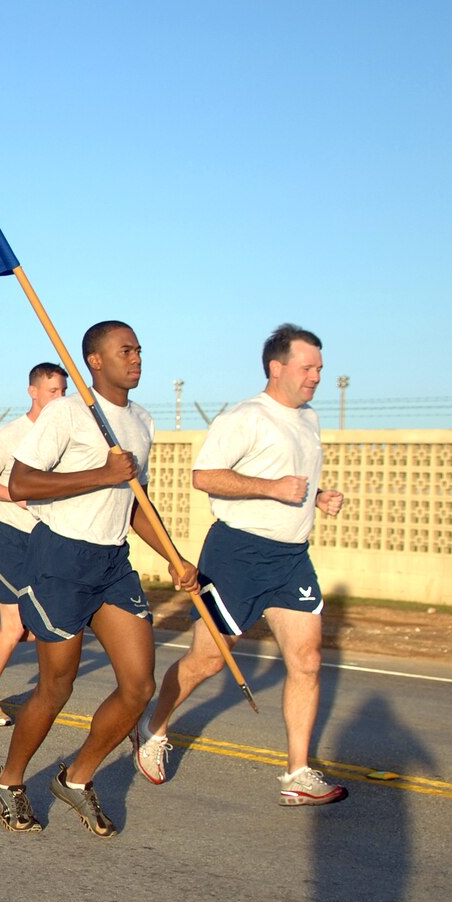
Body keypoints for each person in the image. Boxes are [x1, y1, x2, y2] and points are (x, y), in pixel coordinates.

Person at [0, 321, 198, 837]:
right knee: (57, 686)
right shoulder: (68, 413)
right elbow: (20, 482)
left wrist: (174, 556)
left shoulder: (142, 420)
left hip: (112, 564)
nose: (137, 358)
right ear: (95, 360)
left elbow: (136, 503)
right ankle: (9, 780)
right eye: (125, 350)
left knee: (139, 686)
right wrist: (101, 474)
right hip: (60, 559)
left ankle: (77, 778)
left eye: (140, 350)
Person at [133, 324, 349, 807]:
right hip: (237, 556)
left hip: (291, 559)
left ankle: (298, 772)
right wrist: (274, 488)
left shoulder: (309, 419)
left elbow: (291, 480)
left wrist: (318, 497)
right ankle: (152, 726)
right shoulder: (247, 417)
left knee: (308, 661)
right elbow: (205, 476)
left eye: (319, 368)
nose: (316, 376)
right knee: (207, 660)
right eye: (308, 367)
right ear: (277, 368)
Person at [0, 364, 69, 726]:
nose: (60, 398)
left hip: (45, 541)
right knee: (14, 625)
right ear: (33, 392)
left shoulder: (65, 437)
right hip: (8, 537)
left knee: (34, 627)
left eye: (63, 391)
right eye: (53, 391)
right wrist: (14, 495)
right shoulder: (12, 435)